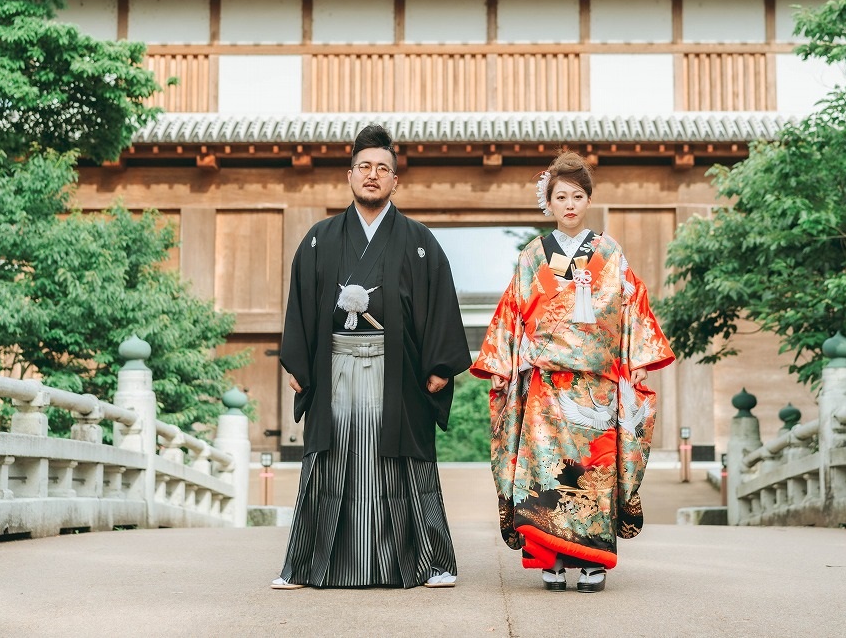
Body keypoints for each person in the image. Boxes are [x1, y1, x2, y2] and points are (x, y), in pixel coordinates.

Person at [272, 124, 473, 590]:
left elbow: (440, 303)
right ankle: (307, 566)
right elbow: (300, 305)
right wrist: (297, 365)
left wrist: (441, 366)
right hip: (335, 368)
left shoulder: (419, 241)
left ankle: (431, 563)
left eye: (383, 168)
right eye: (364, 166)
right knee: (330, 459)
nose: (373, 175)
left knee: (406, 461)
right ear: (349, 175)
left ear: (394, 181)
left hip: (397, 373)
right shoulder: (319, 239)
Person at [472, 151, 675, 593]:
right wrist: (506, 367)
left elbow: (630, 306)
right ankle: (552, 557)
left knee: (592, 471)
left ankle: (592, 561)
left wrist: (635, 363)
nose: (569, 204)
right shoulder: (532, 256)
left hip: (596, 383)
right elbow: (513, 312)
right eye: (560, 195)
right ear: (548, 201)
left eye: (577, 195)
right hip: (546, 384)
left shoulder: (608, 252)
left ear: (588, 200)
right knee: (547, 470)